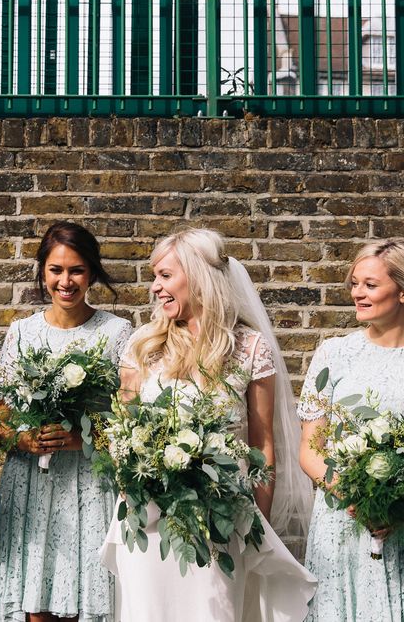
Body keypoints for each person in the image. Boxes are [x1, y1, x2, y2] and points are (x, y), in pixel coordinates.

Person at [100, 228, 316, 622]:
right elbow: (118, 430)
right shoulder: (143, 345)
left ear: (198, 275)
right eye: (155, 277)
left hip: (222, 520)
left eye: (165, 276)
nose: (154, 288)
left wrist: (256, 524)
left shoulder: (250, 347)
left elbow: (263, 444)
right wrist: (131, 480)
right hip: (147, 519)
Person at [0, 221, 133, 622]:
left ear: (92, 273)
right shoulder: (21, 333)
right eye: (56, 270)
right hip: (30, 482)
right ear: (42, 271)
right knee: (34, 606)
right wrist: (24, 437)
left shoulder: (118, 333)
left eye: (76, 270)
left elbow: (134, 423)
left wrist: (78, 438)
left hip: (88, 483)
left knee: (84, 603)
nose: (65, 281)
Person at [298, 238, 404, 622]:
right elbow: (310, 448)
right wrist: (353, 496)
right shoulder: (333, 354)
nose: (358, 293)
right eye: (355, 283)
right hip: (341, 518)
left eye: (371, 285)